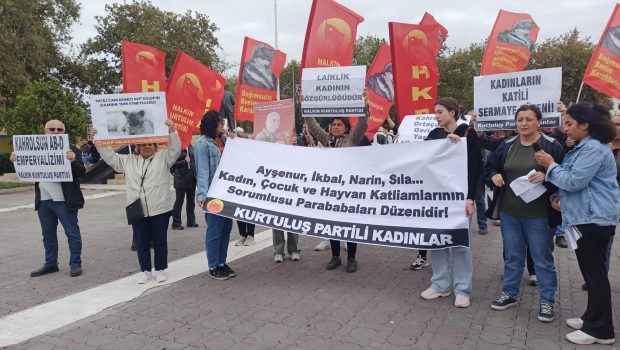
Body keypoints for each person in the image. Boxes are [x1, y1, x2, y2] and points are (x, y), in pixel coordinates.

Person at [535, 103, 619, 345]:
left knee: (595, 275)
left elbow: (574, 181)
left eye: (570, 124)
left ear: (586, 125)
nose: (565, 129)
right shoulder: (585, 147)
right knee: (591, 272)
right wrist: (559, 197)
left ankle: (601, 330)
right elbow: (575, 184)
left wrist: (550, 164)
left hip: (593, 219)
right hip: (584, 217)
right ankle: (591, 317)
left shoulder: (593, 149)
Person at [485, 105, 564, 322]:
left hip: (540, 215)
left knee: (542, 260)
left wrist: (548, 177)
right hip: (510, 213)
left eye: (529, 119)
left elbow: (566, 176)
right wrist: (494, 175)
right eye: (520, 119)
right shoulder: (507, 144)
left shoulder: (552, 146)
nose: (523, 123)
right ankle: (509, 294)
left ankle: (547, 302)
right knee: (513, 256)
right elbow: (489, 167)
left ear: (539, 122)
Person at [93, 119, 180, 284]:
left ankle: (161, 269)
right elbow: (110, 157)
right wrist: (98, 140)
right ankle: (146, 271)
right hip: (138, 210)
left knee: (160, 240)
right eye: (143, 144)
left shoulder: (163, 158)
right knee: (142, 242)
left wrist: (172, 132)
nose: (147, 146)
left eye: (151, 144)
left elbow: (175, 150)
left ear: (155, 146)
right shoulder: (127, 161)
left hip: (160, 209)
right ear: (138, 148)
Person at [419, 97, 482, 308]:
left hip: (459, 198)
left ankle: (463, 289)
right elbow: (422, 160)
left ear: (452, 112)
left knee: (460, 244)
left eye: (439, 112)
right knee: (436, 242)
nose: (436, 116)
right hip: (436, 198)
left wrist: (470, 198)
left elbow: (475, 168)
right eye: (435, 112)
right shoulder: (434, 135)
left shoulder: (467, 133)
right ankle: (440, 284)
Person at [10, 119, 85, 277]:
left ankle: (75, 263)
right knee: (48, 234)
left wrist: (72, 161)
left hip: (65, 200)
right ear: (45, 131)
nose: (56, 132)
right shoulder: (34, 148)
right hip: (44, 200)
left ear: (64, 132)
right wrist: (16, 161)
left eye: (59, 129)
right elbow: (27, 169)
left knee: (72, 232)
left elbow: (81, 172)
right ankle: (51, 263)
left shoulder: (72, 149)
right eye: (52, 129)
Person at [306, 109, 369, 273]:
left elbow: (363, 123)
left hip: (349, 191)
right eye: (333, 124)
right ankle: (335, 257)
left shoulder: (353, 139)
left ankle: (351, 259)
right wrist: (306, 107)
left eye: (339, 124)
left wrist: (364, 106)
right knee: (332, 224)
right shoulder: (327, 139)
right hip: (331, 191)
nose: (335, 126)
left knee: (349, 225)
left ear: (346, 128)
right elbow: (312, 126)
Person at [195, 111, 237, 280]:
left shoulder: (226, 141)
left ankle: (222, 263)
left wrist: (235, 139)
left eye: (223, 123)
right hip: (213, 194)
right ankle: (213, 266)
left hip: (227, 192)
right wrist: (202, 195)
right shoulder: (203, 145)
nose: (222, 125)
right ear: (211, 124)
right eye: (219, 123)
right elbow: (203, 172)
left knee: (226, 229)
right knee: (215, 230)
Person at [170, 145, 198, 230]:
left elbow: (193, 160)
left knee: (191, 201)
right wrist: (184, 162)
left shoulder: (190, 146)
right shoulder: (176, 148)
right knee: (179, 202)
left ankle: (191, 221)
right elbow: (171, 164)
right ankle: (176, 223)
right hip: (181, 179)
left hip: (191, 179)